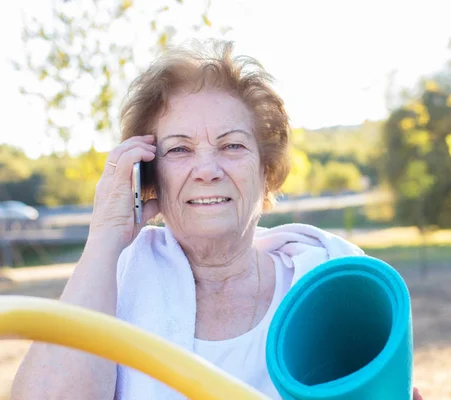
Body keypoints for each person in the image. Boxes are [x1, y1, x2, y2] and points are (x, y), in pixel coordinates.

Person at [11, 39, 423, 400]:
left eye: (231, 145)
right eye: (179, 150)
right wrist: (104, 238)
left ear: (265, 172)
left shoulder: (332, 281)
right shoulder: (111, 282)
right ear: (149, 178)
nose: (207, 169)